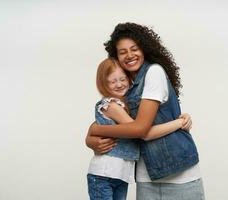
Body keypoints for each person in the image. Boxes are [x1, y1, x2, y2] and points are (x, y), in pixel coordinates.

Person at [86, 22, 205, 200]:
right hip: (146, 177)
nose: (130, 55)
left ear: (145, 49)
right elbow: (115, 120)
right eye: (122, 52)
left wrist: (95, 130)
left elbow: (141, 130)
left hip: (179, 176)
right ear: (116, 57)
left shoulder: (153, 72)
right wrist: (90, 137)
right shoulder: (125, 87)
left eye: (134, 49)